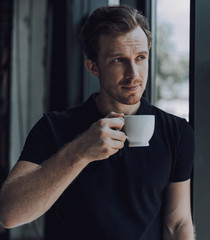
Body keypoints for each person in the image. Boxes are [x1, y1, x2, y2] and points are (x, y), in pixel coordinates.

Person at [0, 5, 195, 240]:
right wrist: (80, 151)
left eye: (140, 58)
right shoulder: (53, 127)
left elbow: (177, 224)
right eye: (118, 60)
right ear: (94, 67)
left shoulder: (177, 131)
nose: (134, 74)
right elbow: (9, 214)